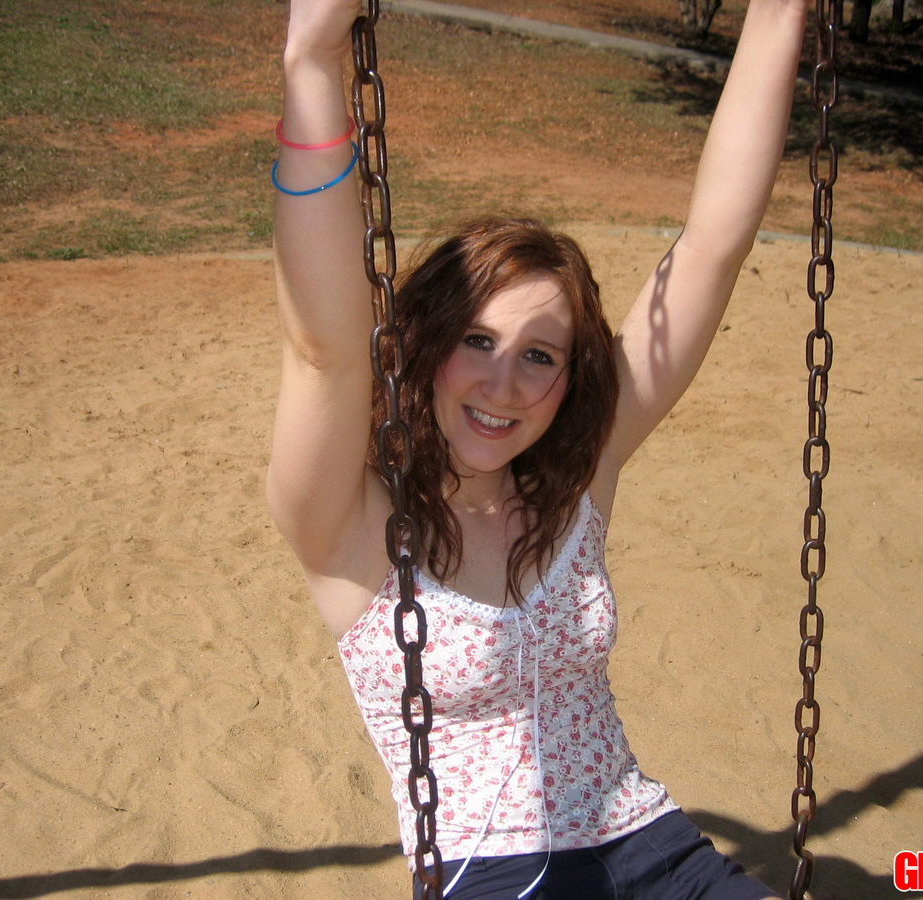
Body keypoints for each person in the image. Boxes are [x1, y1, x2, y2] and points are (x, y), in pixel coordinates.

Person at [266, 0, 808, 896]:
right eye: (476, 341)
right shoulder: (351, 525)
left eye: (540, 356)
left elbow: (712, 247)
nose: (505, 385)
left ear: (571, 375)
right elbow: (322, 350)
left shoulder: (577, 478)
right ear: (427, 345)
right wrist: (315, 60)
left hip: (652, 842)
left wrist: (781, 15)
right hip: (495, 870)